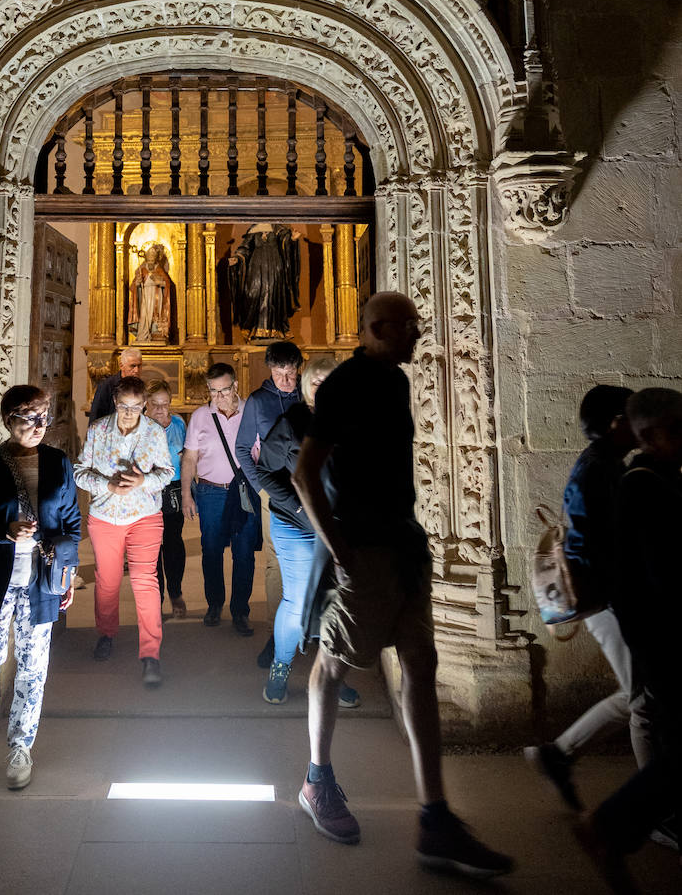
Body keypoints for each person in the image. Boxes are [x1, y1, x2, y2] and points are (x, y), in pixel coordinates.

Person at [292, 291, 513, 877]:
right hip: (363, 550)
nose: (419, 333)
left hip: (402, 545)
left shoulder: (395, 381)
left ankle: (436, 816)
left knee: (421, 666)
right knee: (335, 663)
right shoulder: (345, 385)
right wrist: (337, 544)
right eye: (410, 325)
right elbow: (304, 470)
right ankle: (318, 779)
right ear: (378, 328)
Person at [525, 384, 651, 809]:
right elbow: (591, 544)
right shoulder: (599, 469)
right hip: (609, 599)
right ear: (615, 422)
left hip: (613, 596)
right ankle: (653, 808)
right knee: (645, 703)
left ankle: (557, 755)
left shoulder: (610, 464)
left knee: (638, 693)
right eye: (633, 417)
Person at [575, 388, 682, 892]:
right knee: (648, 713)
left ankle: (612, 822)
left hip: (646, 628)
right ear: (641, 432)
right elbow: (655, 572)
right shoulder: (635, 483)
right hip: (654, 632)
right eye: (674, 429)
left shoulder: (644, 476)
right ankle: (614, 825)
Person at [0, 385, 81, 791]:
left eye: (44, 416)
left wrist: (67, 573)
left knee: (33, 666)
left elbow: (72, 520)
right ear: (7, 420)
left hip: (41, 581)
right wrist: (5, 532)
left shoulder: (57, 462)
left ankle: (20, 746)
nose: (39, 426)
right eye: (28, 417)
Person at [255, 355, 359, 709]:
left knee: (335, 600)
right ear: (306, 387)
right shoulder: (292, 422)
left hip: (339, 527)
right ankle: (281, 666)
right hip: (295, 525)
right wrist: (299, 507)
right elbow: (264, 472)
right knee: (297, 598)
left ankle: (333, 674)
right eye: (317, 383)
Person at [74, 376, 173, 685]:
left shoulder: (154, 433)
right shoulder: (98, 430)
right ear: (115, 403)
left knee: (145, 582)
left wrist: (143, 481)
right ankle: (106, 633)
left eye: (135, 407)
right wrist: (107, 485)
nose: (129, 413)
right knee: (107, 580)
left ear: (144, 405)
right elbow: (80, 473)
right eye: (123, 407)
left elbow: (167, 472)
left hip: (144, 515)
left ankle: (150, 652)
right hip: (105, 516)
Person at [236, 340, 303, 669]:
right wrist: (262, 487)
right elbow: (243, 447)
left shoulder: (310, 395)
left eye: (291, 373)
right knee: (275, 565)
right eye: (280, 374)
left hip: (310, 491)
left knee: (314, 560)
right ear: (270, 371)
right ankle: (276, 635)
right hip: (275, 493)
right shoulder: (259, 401)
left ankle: (311, 632)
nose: (286, 381)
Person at [182, 362, 260, 636]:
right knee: (212, 550)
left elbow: (263, 452)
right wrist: (186, 493)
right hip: (210, 491)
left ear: (236, 386)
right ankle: (214, 604)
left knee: (244, 553)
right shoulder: (201, 416)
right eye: (213, 392)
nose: (219, 398)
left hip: (243, 492)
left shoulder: (252, 411)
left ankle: (241, 610)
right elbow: (190, 457)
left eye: (224, 391)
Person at [145, 380, 188, 618]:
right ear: (146, 405)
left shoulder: (179, 423)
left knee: (173, 543)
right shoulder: (140, 426)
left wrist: (188, 490)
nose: (161, 410)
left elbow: (187, 456)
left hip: (173, 489)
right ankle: (156, 599)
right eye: (155, 404)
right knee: (152, 548)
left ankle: (175, 591)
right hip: (148, 491)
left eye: (165, 404)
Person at [228, 221, 301, 337]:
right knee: (253, 293)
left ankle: (275, 330)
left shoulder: (279, 229)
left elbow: (286, 245)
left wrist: (292, 239)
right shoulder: (253, 230)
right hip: (256, 267)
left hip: (274, 267)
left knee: (272, 295)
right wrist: (237, 258)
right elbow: (245, 248)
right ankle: (251, 327)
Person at [130, 243, 173, 343]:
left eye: (152, 261)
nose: (150, 263)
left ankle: (154, 331)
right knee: (144, 314)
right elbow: (133, 286)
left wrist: (161, 282)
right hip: (144, 296)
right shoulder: (141, 270)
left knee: (155, 314)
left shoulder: (159, 270)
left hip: (156, 296)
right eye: (148, 261)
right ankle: (143, 334)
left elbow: (167, 283)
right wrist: (137, 282)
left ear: (155, 260)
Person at [90, 346, 143, 421]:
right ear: (121, 366)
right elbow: (96, 417)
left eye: (139, 366)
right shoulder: (107, 386)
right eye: (133, 366)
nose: (136, 370)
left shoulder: (142, 387)